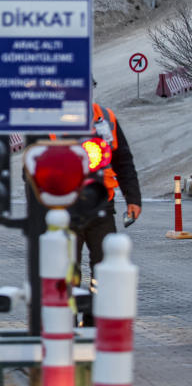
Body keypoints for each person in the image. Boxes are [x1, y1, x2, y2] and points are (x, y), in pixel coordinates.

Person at [72, 97, 141, 319]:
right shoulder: (48, 119)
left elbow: (123, 161)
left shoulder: (105, 117)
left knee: (104, 268)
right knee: (65, 271)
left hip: (102, 205)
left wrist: (133, 198)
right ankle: (65, 323)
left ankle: (95, 320)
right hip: (64, 209)